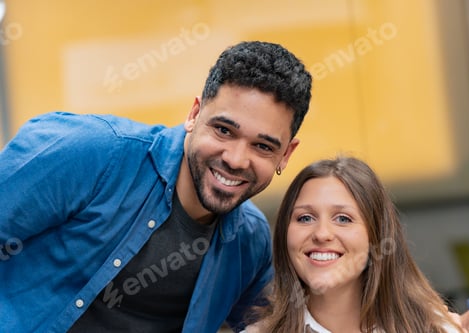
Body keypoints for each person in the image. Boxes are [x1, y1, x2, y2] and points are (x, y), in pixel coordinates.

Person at [0, 41, 312, 333]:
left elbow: (281, 322)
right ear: (193, 114)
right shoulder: (94, 152)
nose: (235, 159)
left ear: (286, 154)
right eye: (223, 130)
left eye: (263, 147)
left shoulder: (249, 242)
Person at [243, 156, 464, 333]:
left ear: (377, 235)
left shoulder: (436, 329)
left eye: (343, 219)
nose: (322, 234)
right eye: (305, 218)